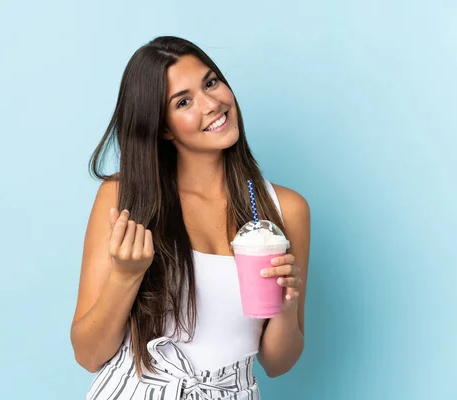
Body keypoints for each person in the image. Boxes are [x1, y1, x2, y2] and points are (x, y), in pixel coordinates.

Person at [70, 36, 311, 400]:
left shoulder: (285, 209)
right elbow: (88, 355)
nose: (213, 104)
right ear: (163, 127)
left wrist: (286, 306)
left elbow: (278, 363)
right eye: (184, 102)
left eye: (211, 82)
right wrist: (125, 276)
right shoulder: (125, 199)